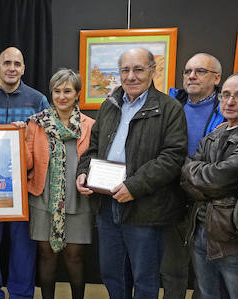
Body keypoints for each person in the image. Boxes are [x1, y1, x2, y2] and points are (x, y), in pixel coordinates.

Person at [75, 48, 188, 299]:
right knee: (112, 274)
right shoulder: (109, 105)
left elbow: (172, 158)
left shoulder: (170, 109)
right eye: (125, 70)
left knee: (144, 278)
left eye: (138, 69)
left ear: (152, 71)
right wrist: (84, 172)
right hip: (107, 204)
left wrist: (134, 187)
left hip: (145, 208)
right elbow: (93, 149)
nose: (131, 76)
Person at [0, 46, 49, 299]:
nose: (12, 68)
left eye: (17, 63)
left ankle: (21, 294)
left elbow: (47, 143)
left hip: (24, 185)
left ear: (23, 69)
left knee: (23, 247)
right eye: (7, 63)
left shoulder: (38, 100)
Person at [180, 71, 238, 299]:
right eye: (225, 95)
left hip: (232, 237)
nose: (229, 102)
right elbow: (186, 178)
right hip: (200, 229)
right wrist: (207, 182)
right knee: (206, 294)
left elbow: (219, 178)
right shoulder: (215, 135)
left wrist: (202, 178)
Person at [23, 68, 94, 299]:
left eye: (67, 91)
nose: (61, 96)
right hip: (43, 201)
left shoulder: (90, 125)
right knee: (46, 255)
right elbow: (27, 162)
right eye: (56, 91)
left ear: (77, 95)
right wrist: (17, 137)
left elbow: (96, 161)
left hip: (78, 201)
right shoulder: (36, 123)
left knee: (75, 257)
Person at [162, 53, 226, 299]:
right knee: (171, 269)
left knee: (206, 274)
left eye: (200, 71)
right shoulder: (171, 104)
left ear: (216, 77)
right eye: (188, 71)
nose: (191, 76)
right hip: (172, 197)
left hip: (208, 202)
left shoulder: (228, 109)